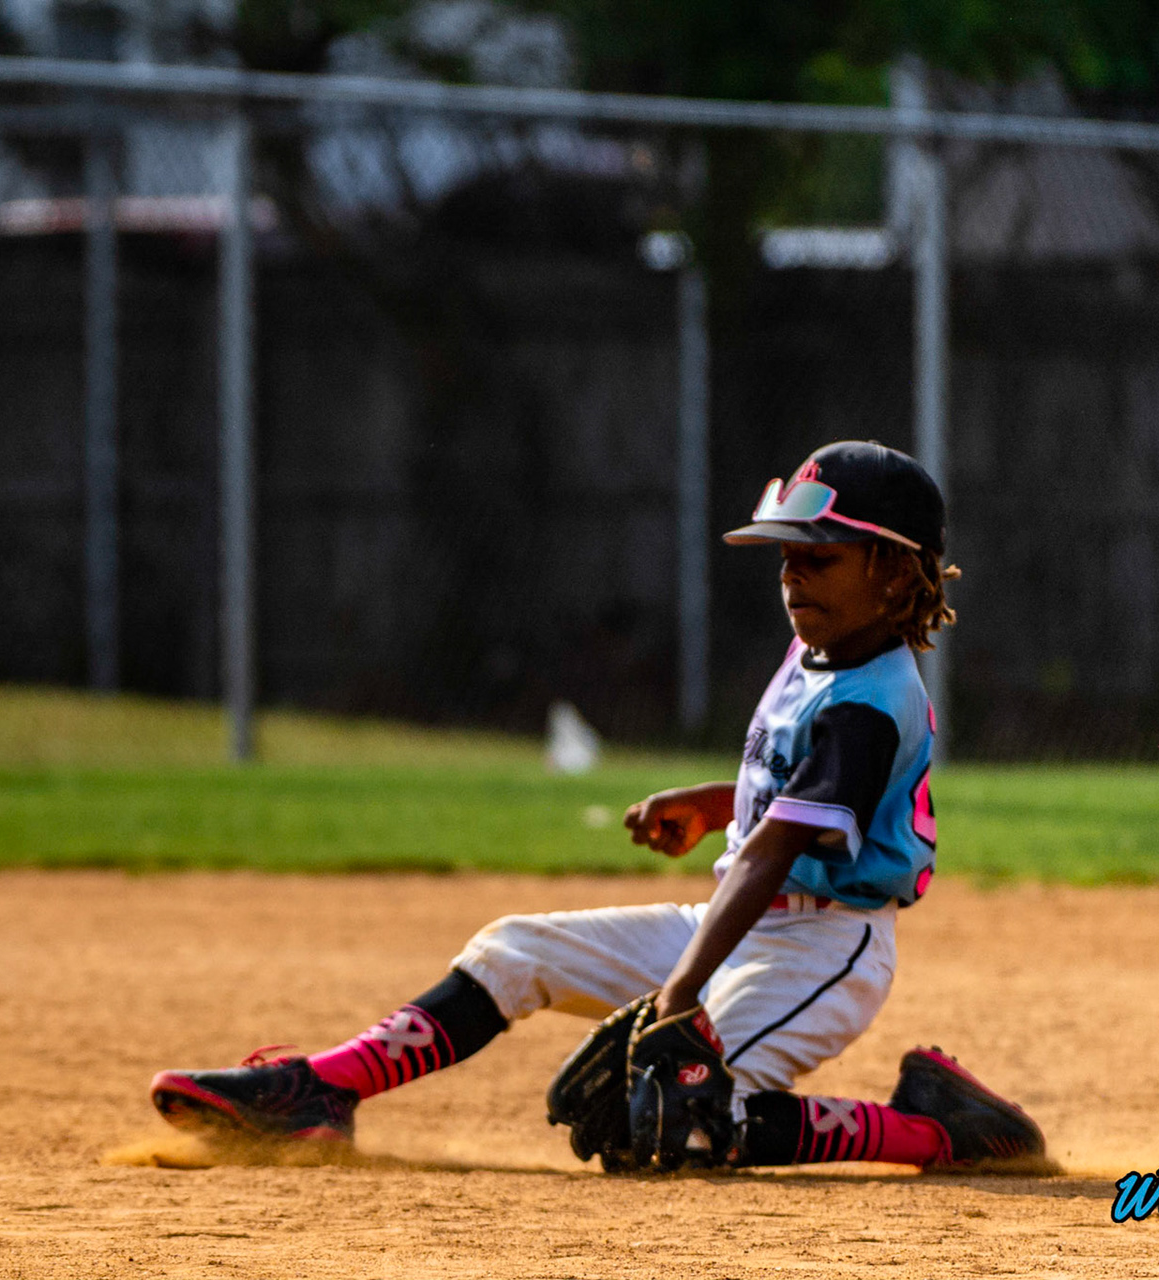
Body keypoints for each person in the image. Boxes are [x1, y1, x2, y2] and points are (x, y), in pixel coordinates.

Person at [150, 441, 1045, 1170]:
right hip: (746, 916)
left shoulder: (871, 704)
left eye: (820, 558)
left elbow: (777, 848)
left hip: (823, 951)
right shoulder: (823, 642)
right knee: (515, 951)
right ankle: (322, 1090)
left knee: (686, 1121)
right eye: (786, 557)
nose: (793, 577)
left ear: (893, 575)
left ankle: (935, 1128)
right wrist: (716, 805)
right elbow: (788, 803)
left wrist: (679, 996)